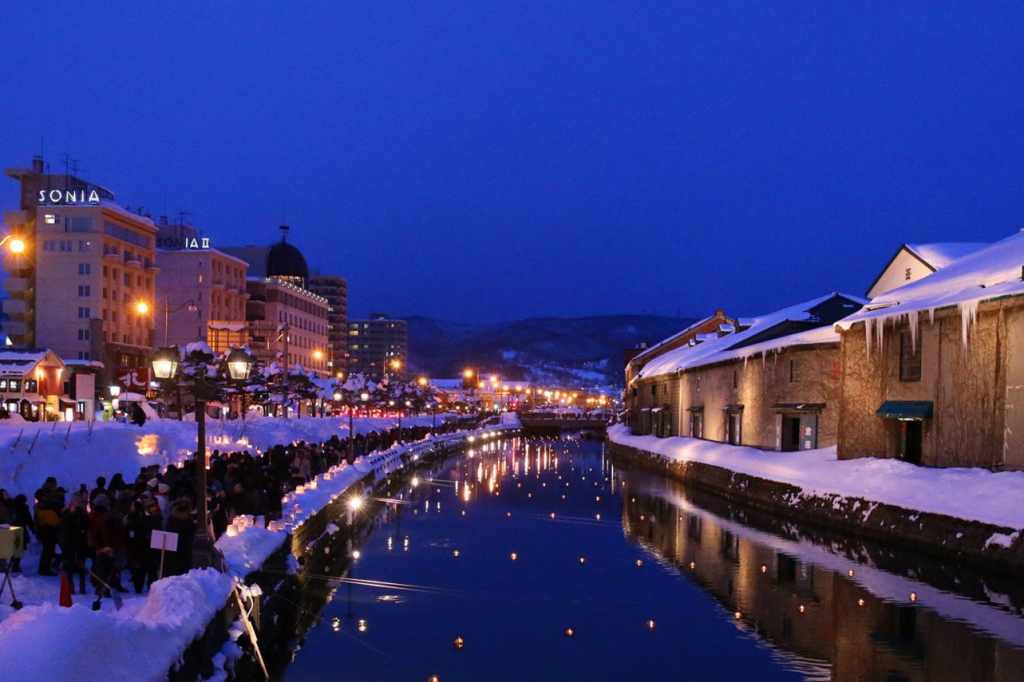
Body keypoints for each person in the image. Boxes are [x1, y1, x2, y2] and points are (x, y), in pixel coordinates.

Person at [34, 487, 63, 576]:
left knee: (46, 550)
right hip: (49, 531)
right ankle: (45, 569)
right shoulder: (45, 507)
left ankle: (42, 567)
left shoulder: (38, 506)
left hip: (43, 530)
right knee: (49, 551)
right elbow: (54, 520)